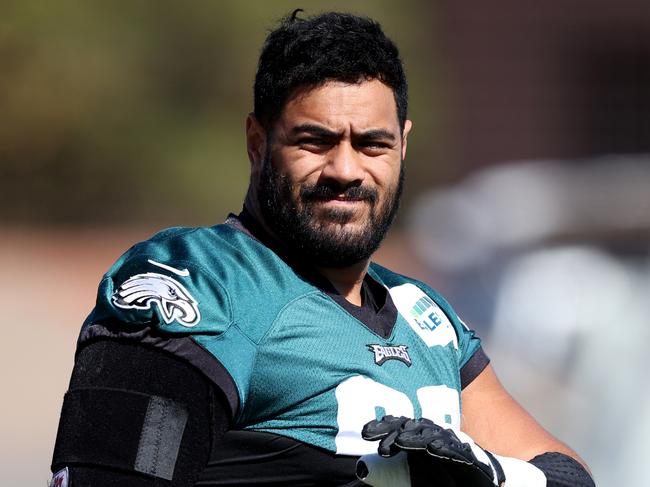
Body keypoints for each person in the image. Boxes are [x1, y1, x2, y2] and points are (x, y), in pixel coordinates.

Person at [50, 10, 594, 487]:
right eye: (316, 141)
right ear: (258, 144)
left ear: (404, 145)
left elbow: (564, 470)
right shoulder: (209, 281)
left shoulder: (425, 315)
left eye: (372, 144)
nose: (345, 169)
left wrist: (491, 473)